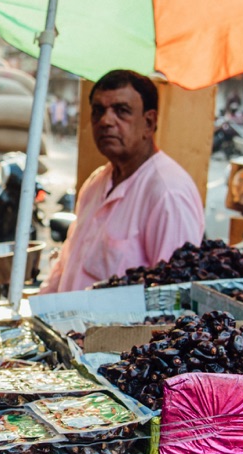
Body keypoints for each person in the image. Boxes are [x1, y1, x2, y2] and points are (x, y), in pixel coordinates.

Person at [40, 69, 204, 293]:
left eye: (121, 111)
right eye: (98, 111)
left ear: (149, 122)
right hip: (67, 325)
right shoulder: (97, 183)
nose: (106, 121)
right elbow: (66, 263)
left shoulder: (168, 192)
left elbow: (173, 293)